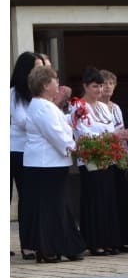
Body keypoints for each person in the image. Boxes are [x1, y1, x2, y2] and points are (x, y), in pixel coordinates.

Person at [71, 68, 128, 256]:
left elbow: (110, 127)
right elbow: (84, 133)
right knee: (95, 200)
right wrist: (113, 136)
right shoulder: (79, 106)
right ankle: (95, 242)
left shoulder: (101, 106)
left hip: (107, 158)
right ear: (85, 86)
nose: (99, 90)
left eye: (100, 86)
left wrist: (118, 137)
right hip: (91, 159)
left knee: (108, 200)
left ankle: (109, 241)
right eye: (95, 86)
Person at [24, 66, 84, 262]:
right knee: (50, 207)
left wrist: (71, 118)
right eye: (55, 80)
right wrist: (72, 146)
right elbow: (55, 133)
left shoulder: (45, 105)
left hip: (49, 163)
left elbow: (60, 124)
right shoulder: (42, 107)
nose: (58, 84)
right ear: (44, 85)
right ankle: (47, 248)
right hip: (45, 163)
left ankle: (60, 245)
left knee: (55, 205)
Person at [11, 52, 46, 259]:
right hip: (18, 150)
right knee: (26, 198)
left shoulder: (39, 93)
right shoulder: (14, 94)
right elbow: (24, 122)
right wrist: (45, 122)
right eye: (36, 67)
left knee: (37, 198)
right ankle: (27, 244)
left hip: (36, 151)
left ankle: (39, 239)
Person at [99, 69, 128, 253]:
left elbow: (121, 131)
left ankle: (122, 238)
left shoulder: (116, 107)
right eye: (104, 84)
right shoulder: (95, 107)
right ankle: (109, 239)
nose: (108, 87)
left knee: (121, 197)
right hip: (104, 157)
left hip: (119, 156)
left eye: (111, 84)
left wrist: (127, 156)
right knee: (109, 199)